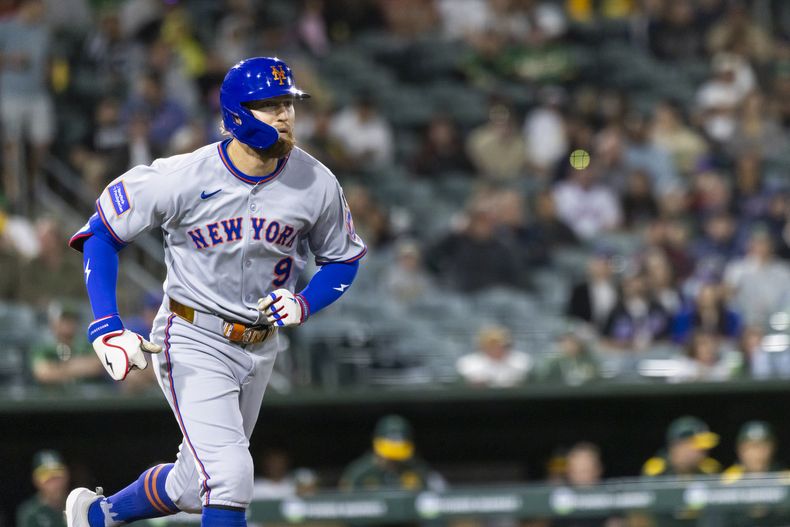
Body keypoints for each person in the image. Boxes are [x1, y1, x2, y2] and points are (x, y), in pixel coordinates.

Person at [64, 57, 366, 527]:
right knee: (229, 476)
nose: (285, 115)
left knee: (192, 484)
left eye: (288, 104)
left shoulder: (316, 182)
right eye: (269, 105)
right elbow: (100, 233)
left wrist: (305, 302)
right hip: (192, 334)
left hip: (261, 344)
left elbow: (344, 258)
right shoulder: (184, 175)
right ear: (237, 113)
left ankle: (97, 517)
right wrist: (106, 325)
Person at [340, 415, 443, 491]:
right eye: (388, 456)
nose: (393, 460)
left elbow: (440, 494)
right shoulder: (359, 472)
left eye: (398, 455)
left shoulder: (418, 470)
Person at [29, 301, 104, 386]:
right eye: (63, 319)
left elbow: (97, 366)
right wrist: (77, 366)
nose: (68, 323)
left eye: (72, 319)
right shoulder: (43, 345)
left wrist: (57, 367)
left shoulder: (87, 342)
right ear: (53, 322)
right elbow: (43, 373)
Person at [642, 416, 721, 478]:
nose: (703, 453)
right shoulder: (657, 470)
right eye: (698, 448)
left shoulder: (709, 468)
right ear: (678, 446)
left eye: (704, 449)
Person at [456, 325, 531, 388]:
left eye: (499, 344)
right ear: (482, 346)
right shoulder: (468, 364)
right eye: (490, 345)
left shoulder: (521, 361)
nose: (495, 348)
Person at [17, 450, 69, 527]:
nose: (52, 479)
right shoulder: (30, 512)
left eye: (57, 471)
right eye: (45, 474)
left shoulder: (79, 504)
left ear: (67, 475)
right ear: (35, 479)